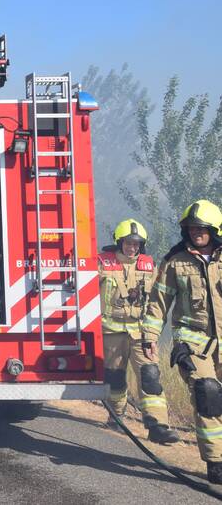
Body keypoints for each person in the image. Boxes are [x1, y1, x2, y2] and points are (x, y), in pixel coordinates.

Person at [142, 200, 222, 483]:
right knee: (207, 394)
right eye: (191, 228)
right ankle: (216, 462)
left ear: (214, 229)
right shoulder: (175, 261)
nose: (196, 232)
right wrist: (150, 337)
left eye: (201, 228)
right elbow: (158, 301)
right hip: (194, 342)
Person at [98, 219, 179, 444]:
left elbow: (156, 300)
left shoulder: (148, 267)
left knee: (150, 376)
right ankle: (116, 417)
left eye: (136, 244)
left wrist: (153, 331)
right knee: (114, 379)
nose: (132, 247)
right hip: (111, 332)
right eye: (128, 243)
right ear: (119, 242)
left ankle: (157, 425)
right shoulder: (102, 264)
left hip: (140, 333)